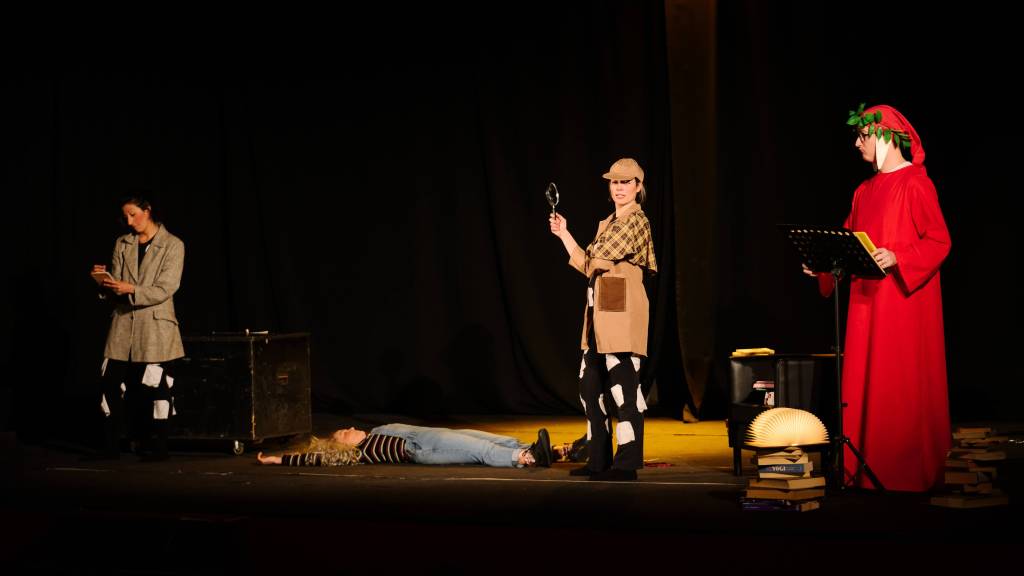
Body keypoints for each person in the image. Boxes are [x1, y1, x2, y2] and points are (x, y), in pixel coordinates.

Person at [806, 104, 951, 492]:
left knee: (898, 382)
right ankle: (863, 465)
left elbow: (939, 240)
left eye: (863, 136)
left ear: (885, 136)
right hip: (866, 303)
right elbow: (847, 242)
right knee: (866, 381)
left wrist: (900, 257)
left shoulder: (915, 184)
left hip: (902, 304)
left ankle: (903, 468)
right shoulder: (864, 191)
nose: (857, 144)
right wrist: (822, 265)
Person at [549, 158, 657, 481]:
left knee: (624, 391)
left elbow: (597, 256)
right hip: (599, 312)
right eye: (614, 182)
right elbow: (589, 264)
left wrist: (589, 254)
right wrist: (564, 235)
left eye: (626, 182)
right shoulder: (607, 223)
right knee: (590, 388)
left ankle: (627, 464)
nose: (619, 188)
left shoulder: (636, 221)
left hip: (622, 313)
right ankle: (598, 460)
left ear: (638, 187)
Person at [89, 194, 185, 461]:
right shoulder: (122, 243)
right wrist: (105, 283)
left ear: (147, 210)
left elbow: (166, 288)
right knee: (110, 383)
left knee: (157, 387)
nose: (129, 222)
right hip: (123, 324)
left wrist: (130, 288)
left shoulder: (173, 245)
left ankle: (159, 447)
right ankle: (111, 447)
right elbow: (117, 287)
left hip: (155, 326)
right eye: (126, 217)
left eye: (133, 214)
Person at [256, 424, 553, 468]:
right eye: (344, 433)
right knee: (478, 450)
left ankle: (546, 451)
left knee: (484, 437)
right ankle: (525, 456)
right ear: (340, 447)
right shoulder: (359, 453)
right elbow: (317, 459)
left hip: (423, 434)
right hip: (421, 448)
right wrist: (278, 460)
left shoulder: (376, 432)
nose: (350, 429)